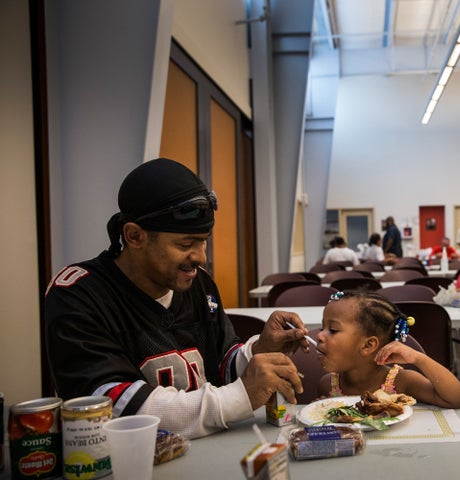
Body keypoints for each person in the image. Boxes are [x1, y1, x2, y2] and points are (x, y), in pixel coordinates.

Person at [45, 158, 310, 440]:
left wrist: (259, 350)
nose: (200, 258)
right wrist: (238, 397)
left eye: (203, 240)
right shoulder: (79, 294)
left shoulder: (198, 283)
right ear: (134, 236)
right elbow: (111, 407)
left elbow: (221, 365)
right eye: (185, 244)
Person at [316, 291, 460, 408]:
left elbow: (456, 399)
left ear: (368, 345)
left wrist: (419, 358)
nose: (319, 335)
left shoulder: (402, 382)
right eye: (323, 328)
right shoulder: (327, 385)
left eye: (333, 330)